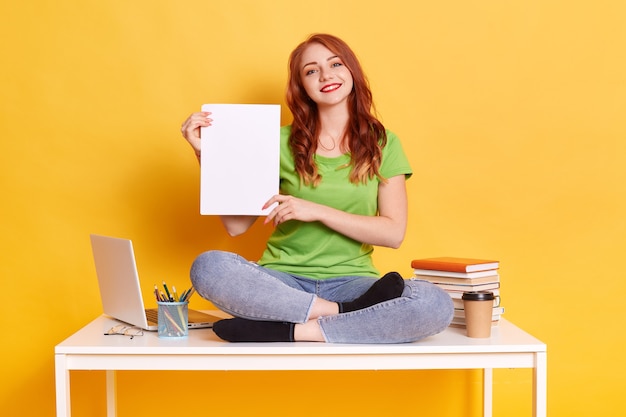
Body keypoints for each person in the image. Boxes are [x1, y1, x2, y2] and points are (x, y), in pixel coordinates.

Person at [180, 33, 453, 343]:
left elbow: (393, 233)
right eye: (311, 70)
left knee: (435, 304)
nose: (326, 75)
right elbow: (235, 227)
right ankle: (342, 314)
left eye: (335, 64)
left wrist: (317, 211)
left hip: (354, 282)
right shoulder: (275, 141)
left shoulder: (384, 144)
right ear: (302, 87)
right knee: (209, 266)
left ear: (351, 71)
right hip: (282, 283)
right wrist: (207, 155)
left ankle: (293, 330)